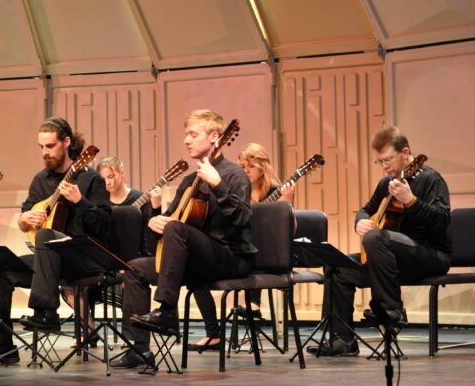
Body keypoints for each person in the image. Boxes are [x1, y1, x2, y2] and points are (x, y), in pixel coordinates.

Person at [112, 109, 254, 369]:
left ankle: (167, 311)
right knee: (135, 268)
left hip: (230, 256)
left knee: (177, 229)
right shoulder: (189, 180)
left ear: (214, 137)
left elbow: (243, 221)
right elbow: (172, 219)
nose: (186, 140)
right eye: (186, 134)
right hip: (194, 260)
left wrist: (218, 185)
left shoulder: (234, 175)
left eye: (193, 134)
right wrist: (155, 220)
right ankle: (139, 349)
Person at [307, 126, 451, 356]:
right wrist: (360, 222)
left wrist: (411, 201)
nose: (384, 166)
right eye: (380, 162)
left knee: (375, 238)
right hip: (390, 262)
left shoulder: (431, 179)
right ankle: (342, 340)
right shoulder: (387, 183)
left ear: (405, 152)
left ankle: (391, 310)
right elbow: (365, 210)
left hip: (430, 255)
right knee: (337, 266)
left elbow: (442, 220)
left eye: (388, 159)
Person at [188, 142, 294, 351]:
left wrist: (288, 203)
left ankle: (252, 305)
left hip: (267, 251)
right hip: (236, 248)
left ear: (262, 167)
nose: (245, 171)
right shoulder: (237, 188)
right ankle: (213, 334)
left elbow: (289, 232)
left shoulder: (276, 191)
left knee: (251, 249)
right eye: (242, 166)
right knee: (194, 268)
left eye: (250, 167)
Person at [17, 117, 112, 331]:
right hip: (48, 258)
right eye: (41, 147)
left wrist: (81, 201)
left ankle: (47, 312)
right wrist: (24, 219)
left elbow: (104, 226)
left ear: (67, 142)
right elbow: (25, 219)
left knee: (45, 236)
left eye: (50, 146)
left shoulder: (90, 179)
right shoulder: (40, 180)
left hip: (82, 257)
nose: (44, 152)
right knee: (1, 269)